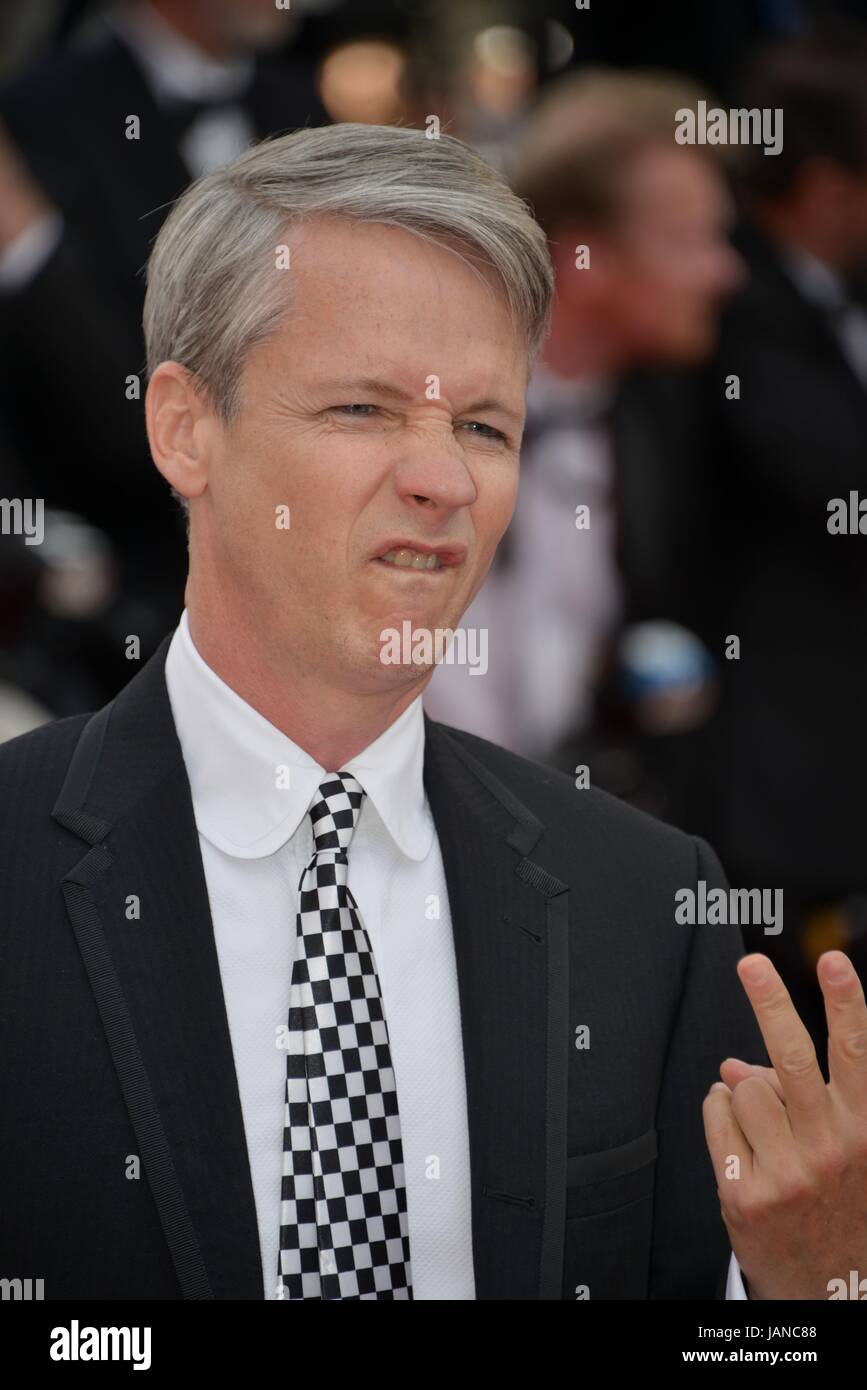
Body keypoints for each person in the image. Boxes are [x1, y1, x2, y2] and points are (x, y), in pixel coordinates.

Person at [1, 123, 864, 1302]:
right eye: (362, 409)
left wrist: (810, 1292)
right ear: (184, 429)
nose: (444, 480)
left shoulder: (652, 908)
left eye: (482, 426)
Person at [0, 0, 326, 693]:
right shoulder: (41, 111)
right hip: (120, 615)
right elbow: (85, 389)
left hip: (304, 589)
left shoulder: (299, 100)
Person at [422, 70, 743, 760]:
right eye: (691, 241)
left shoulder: (660, 434)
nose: (725, 272)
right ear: (584, 260)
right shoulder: (415, 398)